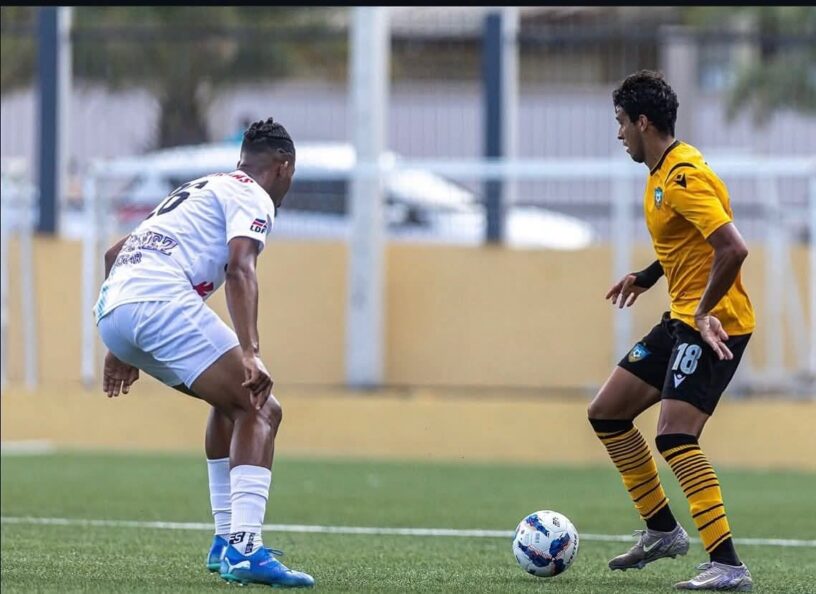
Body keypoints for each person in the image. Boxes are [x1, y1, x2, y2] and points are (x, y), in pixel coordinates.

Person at [94, 117, 315, 588]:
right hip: (156, 301)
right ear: (283, 167)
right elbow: (240, 268)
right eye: (291, 175)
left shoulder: (205, 186)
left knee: (229, 402)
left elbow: (114, 254)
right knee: (260, 406)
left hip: (114, 309)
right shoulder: (254, 195)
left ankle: (224, 540)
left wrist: (120, 345)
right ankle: (245, 549)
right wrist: (251, 352)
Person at [587, 70, 755, 591]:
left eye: (621, 121)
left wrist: (704, 312)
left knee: (676, 436)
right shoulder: (663, 171)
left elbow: (733, 248)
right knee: (607, 413)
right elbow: (690, 242)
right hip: (683, 320)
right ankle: (662, 530)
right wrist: (647, 275)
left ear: (643, 122)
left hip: (715, 326)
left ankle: (728, 566)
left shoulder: (683, 177)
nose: (618, 133)